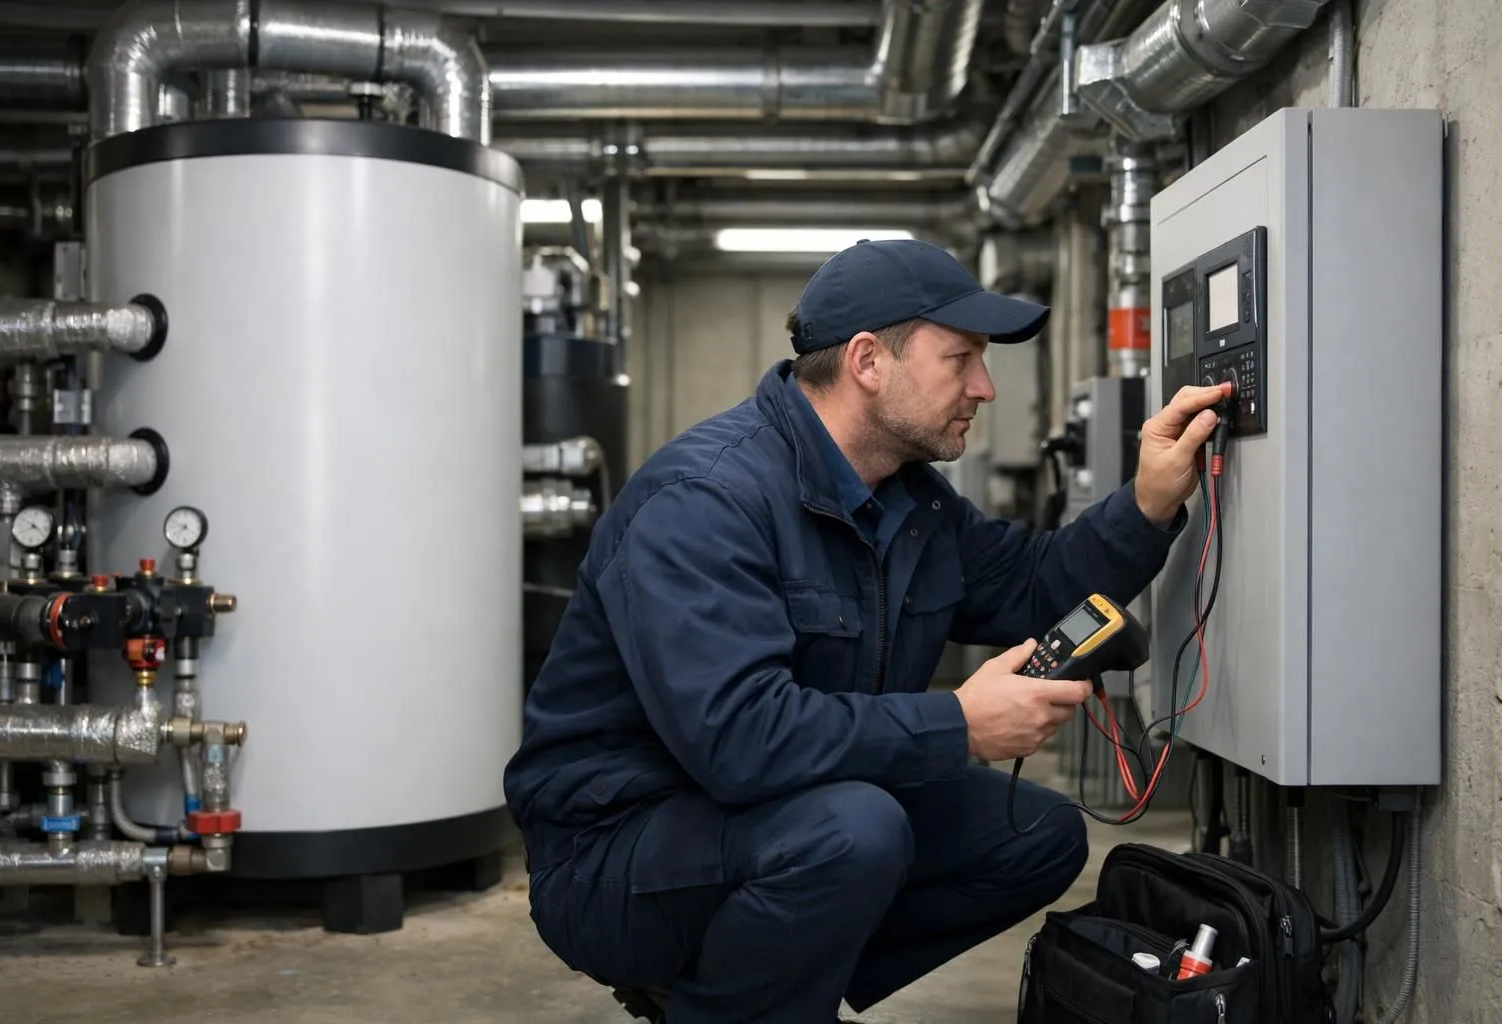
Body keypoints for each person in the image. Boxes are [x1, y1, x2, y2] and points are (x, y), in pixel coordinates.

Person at [503, 238, 1229, 1024]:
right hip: (617, 853)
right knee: (855, 831)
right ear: (867, 362)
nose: (983, 387)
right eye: (961, 358)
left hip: (774, 813)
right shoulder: (705, 501)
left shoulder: (910, 501)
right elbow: (739, 739)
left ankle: (747, 986)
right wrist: (960, 723)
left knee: (1035, 832)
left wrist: (1151, 500)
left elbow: (1032, 585)